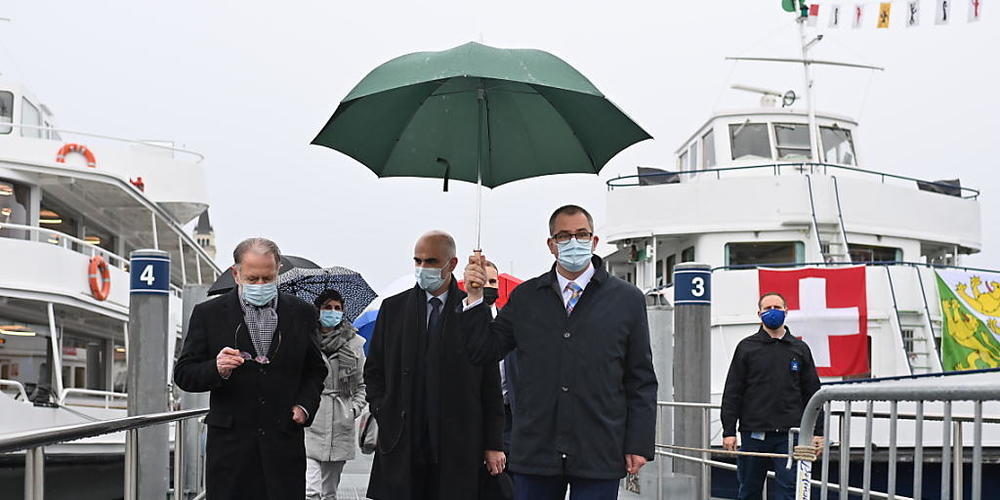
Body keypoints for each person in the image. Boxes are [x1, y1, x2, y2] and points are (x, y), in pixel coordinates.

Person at [461, 205, 658, 500]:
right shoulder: (526, 297)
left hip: (600, 448)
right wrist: (475, 298)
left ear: (594, 241)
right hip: (536, 450)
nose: (573, 242)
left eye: (582, 234)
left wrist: (639, 443)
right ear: (551, 244)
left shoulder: (627, 300)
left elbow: (640, 378)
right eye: (564, 236)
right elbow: (483, 350)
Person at [174, 238, 328, 500]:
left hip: (283, 444)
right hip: (230, 450)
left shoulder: (302, 313)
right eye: (252, 278)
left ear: (278, 270)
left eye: (267, 278)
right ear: (236, 274)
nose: (260, 285)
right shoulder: (208, 313)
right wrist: (216, 368)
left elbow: (315, 370)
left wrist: (304, 406)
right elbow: (184, 374)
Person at [364, 230, 506, 500]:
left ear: (451, 264)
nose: (422, 268)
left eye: (430, 261)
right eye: (417, 260)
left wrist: (493, 443)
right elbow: (374, 370)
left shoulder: (472, 311)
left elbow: (490, 384)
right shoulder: (394, 309)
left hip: (456, 440)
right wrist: (383, 409)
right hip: (403, 437)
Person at [720, 292, 824, 500]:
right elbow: (733, 391)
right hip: (753, 434)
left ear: (786, 311)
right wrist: (728, 431)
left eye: (777, 307)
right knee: (749, 490)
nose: (773, 311)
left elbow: (813, 393)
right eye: (767, 308)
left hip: (790, 435)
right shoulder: (746, 347)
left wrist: (818, 432)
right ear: (759, 313)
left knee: (789, 491)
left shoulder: (800, 349)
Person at [304, 289, 367, 500]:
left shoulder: (355, 343)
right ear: (318, 310)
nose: (332, 312)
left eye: (337, 308)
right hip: (311, 421)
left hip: (341, 421)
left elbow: (362, 384)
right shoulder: (306, 340)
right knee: (311, 490)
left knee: (329, 492)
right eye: (327, 307)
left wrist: (353, 409)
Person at [482, 261, 517, 455]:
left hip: (508, 414)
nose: (488, 286)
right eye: (483, 281)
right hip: (476, 413)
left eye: (492, 281)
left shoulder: (511, 324)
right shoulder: (460, 321)